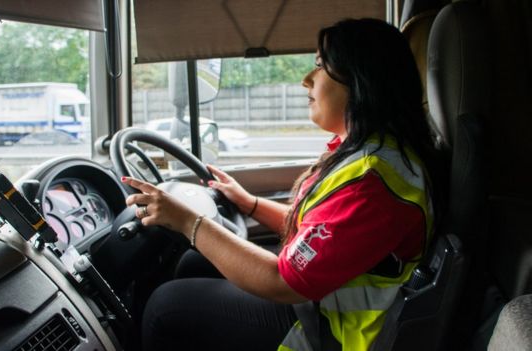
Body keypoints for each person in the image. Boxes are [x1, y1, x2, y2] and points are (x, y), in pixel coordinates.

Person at [121, 17, 442, 351]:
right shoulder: (369, 153)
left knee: (165, 307)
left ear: (361, 80)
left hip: (332, 331)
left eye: (320, 66)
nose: (307, 80)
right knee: (191, 262)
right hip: (322, 299)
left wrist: (188, 221)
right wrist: (250, 204)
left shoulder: (371, 184)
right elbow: (319, 232)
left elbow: (282, 281)